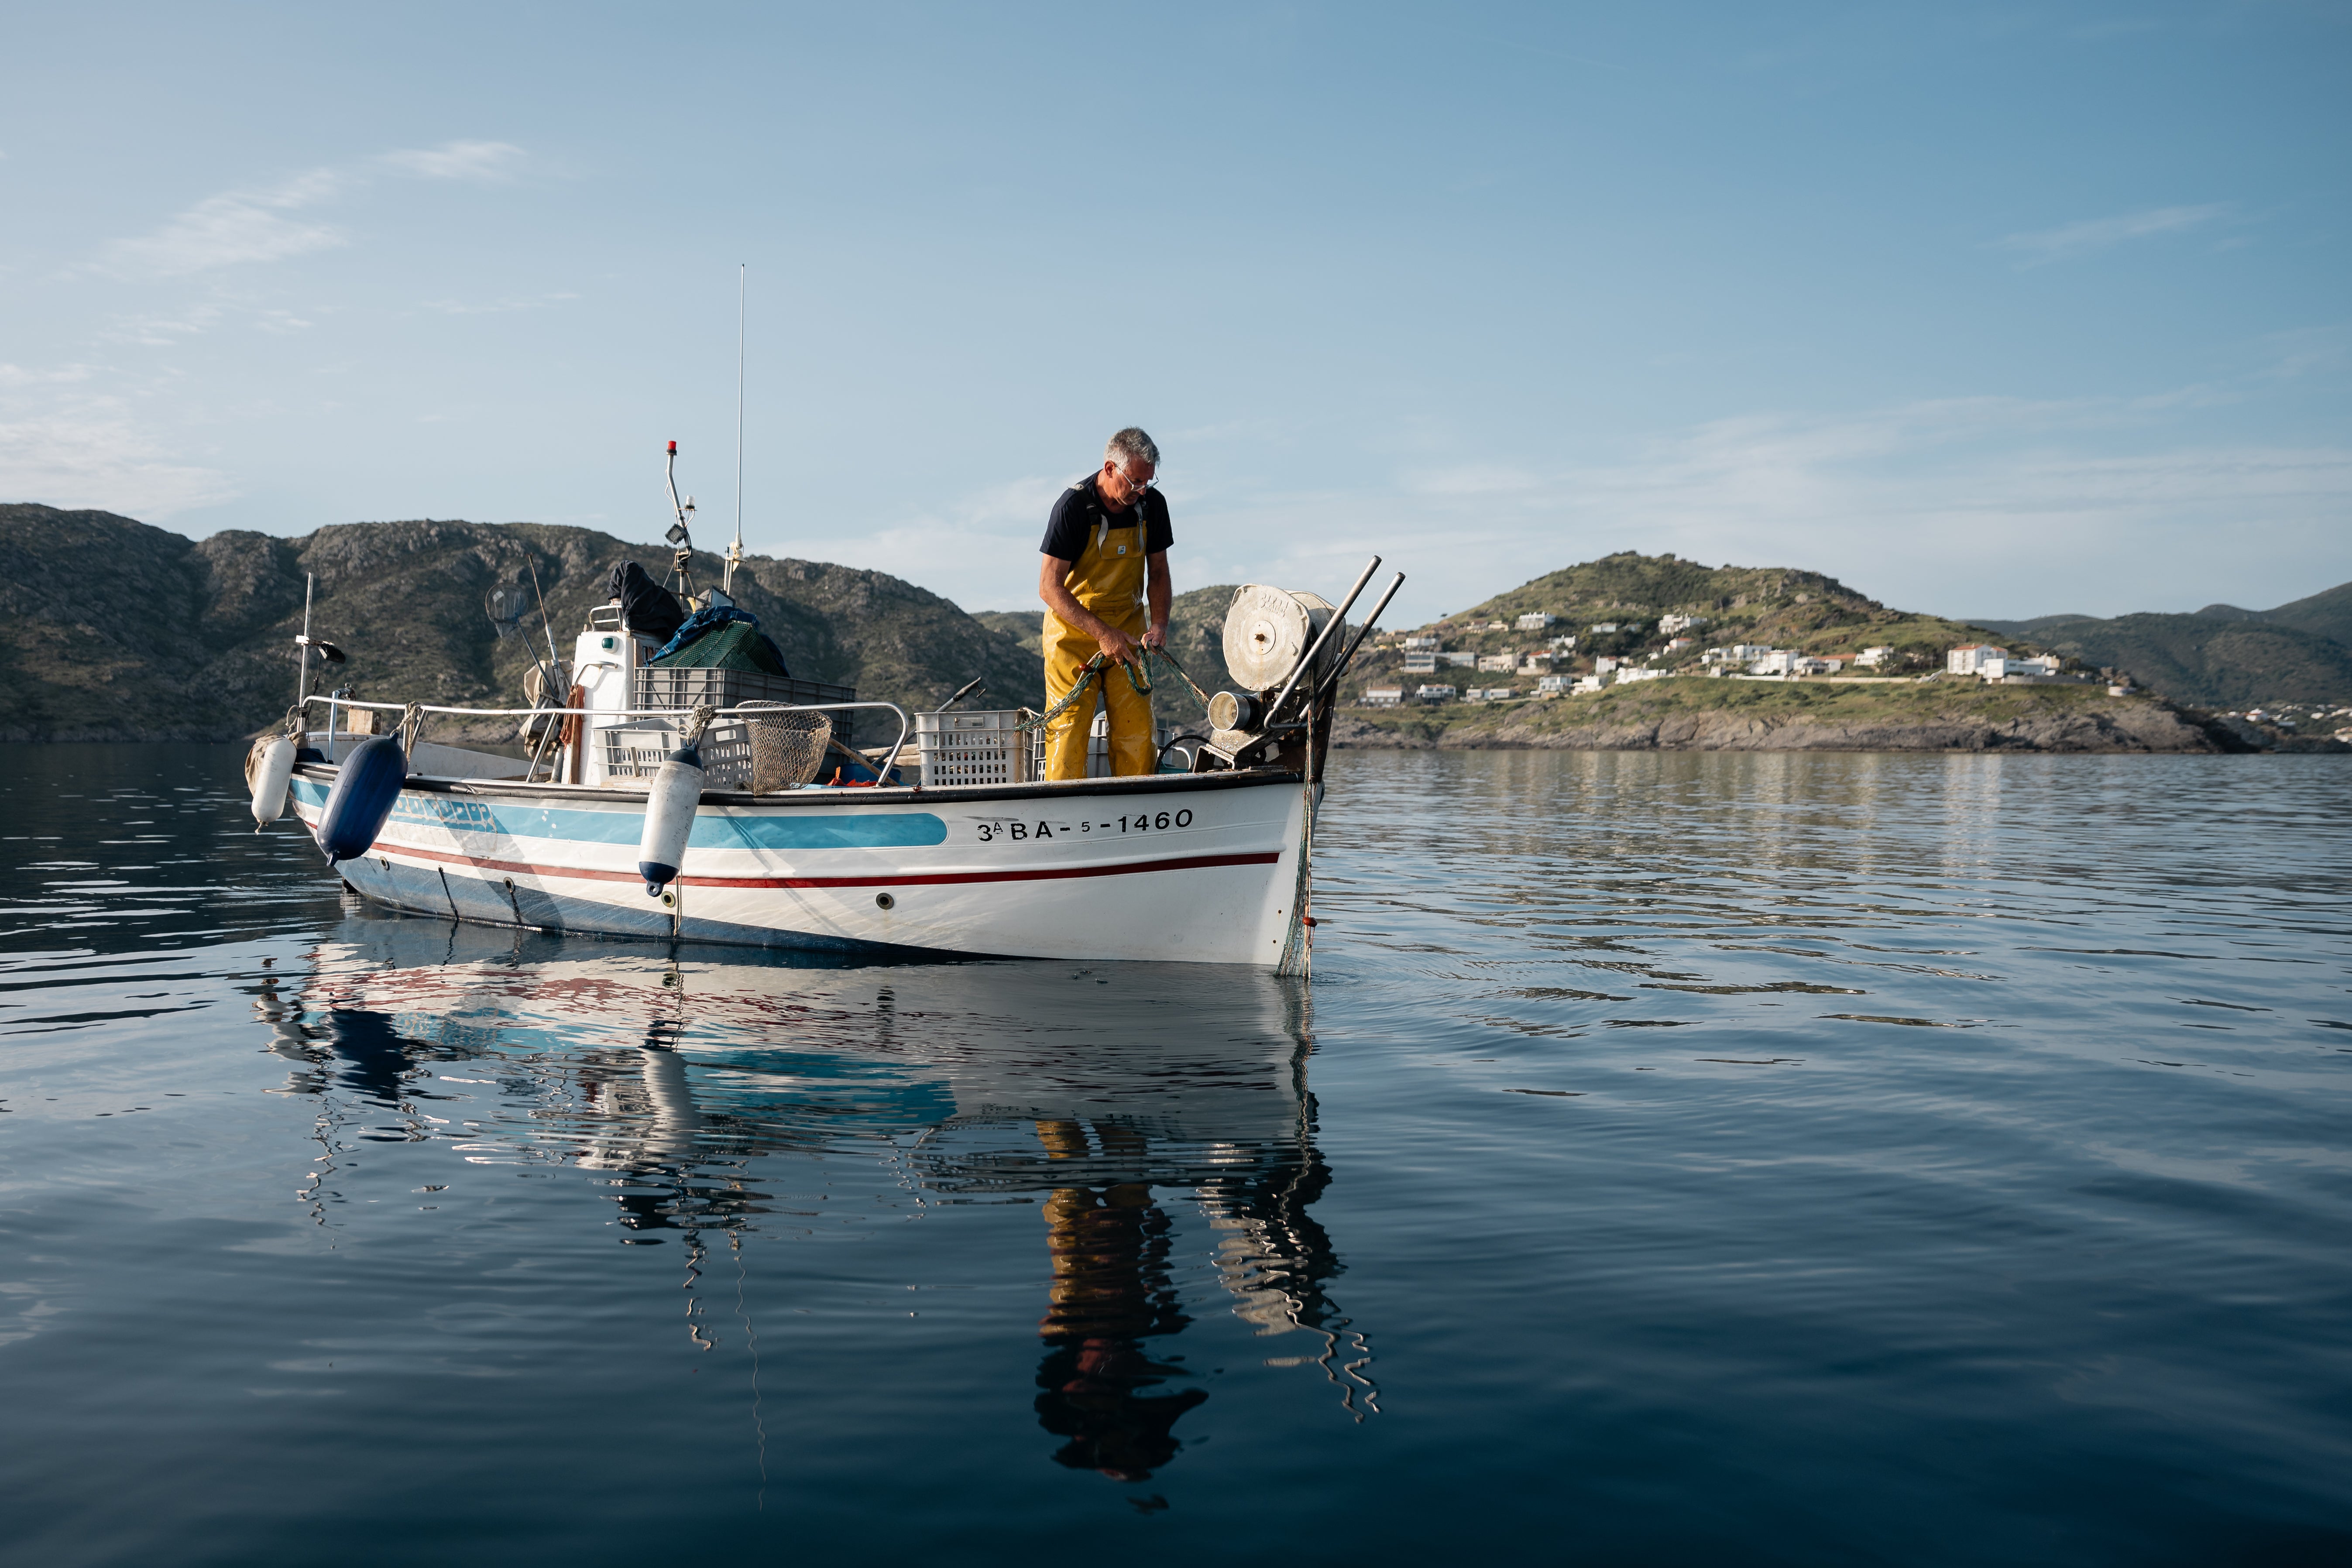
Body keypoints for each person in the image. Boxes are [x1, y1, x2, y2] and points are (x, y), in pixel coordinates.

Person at [1037, 427, 1172, 780]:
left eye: (1148, 482)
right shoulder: (1072, 507)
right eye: (1135, 481)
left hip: (1128, 635)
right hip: (1073, 637)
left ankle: (1136, 813)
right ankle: (1061, 814)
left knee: (1138, 734)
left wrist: (1159, 625)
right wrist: (1100, 632)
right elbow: (1049, 587)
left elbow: (1158, 571)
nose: (1142, 490)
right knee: (1067, 734)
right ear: (1111, 468)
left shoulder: (1152, 506)